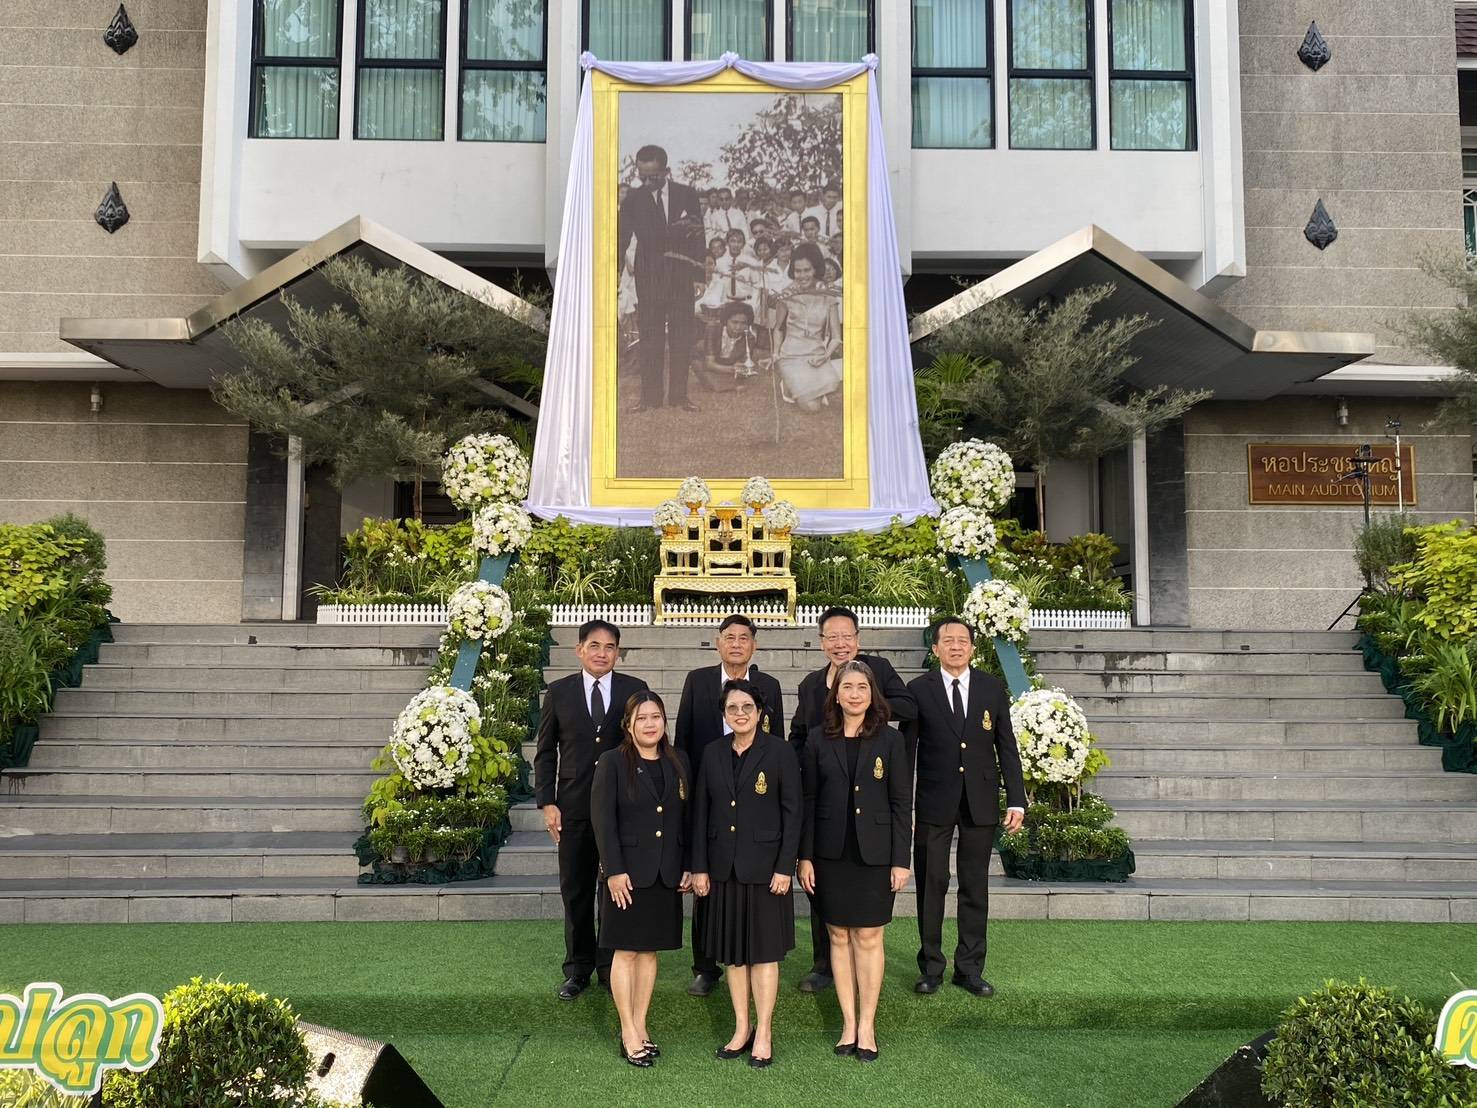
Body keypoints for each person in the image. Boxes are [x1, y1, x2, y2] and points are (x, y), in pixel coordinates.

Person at [789, 606, 916, 994]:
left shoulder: (877, 674)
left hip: (871, 827)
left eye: (847, 636)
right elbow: (798, 734)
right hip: (828, 808)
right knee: (831, 921)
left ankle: (864, 1009)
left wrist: (866, 702)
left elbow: (909, 708)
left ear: (858, 640)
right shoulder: (811, 685)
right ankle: (822, 966)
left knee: (867, 932)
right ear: (821, 642)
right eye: (832, 637)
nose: (840, 643)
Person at [797, 660, 912, 1062]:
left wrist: (900, 859)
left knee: (868, 936)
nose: (855, 694)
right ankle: (848, 1024)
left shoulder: (890, 740)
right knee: (839, 936)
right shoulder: (817, 739)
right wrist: (805, 856)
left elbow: (901, 803)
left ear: (872, 693)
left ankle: (867, 1026)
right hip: (829, 855)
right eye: (847, 687)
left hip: (875, 855)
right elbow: (808, 801)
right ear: (836, 694)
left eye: (862, 687)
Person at [908, 618, 1026, 998]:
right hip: (932, 802)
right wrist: (905, 808)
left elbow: (1006, 745)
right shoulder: (918, 690)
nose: (956, 646)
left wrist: (1017, 799)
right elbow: (907, 753)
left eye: (963, 640)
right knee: (932, 884)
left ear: (973, 648)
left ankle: (970, 969)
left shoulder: (992, 688)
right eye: (948, 640)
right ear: (935, 648)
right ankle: (931, 968)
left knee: (975, 886)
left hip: (980, 801)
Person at [534, 620, 649, 1000]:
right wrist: (548, 802)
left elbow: (646, 743)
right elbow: (545, 752)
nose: (602, 653)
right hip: (573, 807)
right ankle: (578, 968)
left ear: (618, 652)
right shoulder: (559, 692)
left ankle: (610, 966)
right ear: (579, 649)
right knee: (577, 889)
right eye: (595, 645)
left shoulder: (635, 690)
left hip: (622, 808)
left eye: (610, 646)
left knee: (616, 889)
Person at [691, 680, 801, 1069]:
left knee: (764, 954)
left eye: (747, 707)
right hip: (723, 869)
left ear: (760, 712)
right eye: (732, 708)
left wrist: (785, 867)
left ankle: (764, 1032)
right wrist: (700, 866)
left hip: (767, 871)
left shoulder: (780, 752)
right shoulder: (712, 752)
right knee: (733, 956)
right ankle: (742, 1028)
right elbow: (701, 812)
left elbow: (793, 813)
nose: (740, 714)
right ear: (724, 714)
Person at [675, 615, 786, 997]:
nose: (736, 644)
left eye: (743, 638)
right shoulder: (697, 681)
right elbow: (683, 740)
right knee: (706, 886)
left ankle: (750, 955)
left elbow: (777, 743)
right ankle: (705, 967)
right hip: (710, 795)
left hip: (754, 798)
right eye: (729, 637)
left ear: (754, 644)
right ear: (717, 642)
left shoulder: (769, 686)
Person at [591, 691, 693, 1066]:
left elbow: (686, 818)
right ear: (629, 725)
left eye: (656, 717)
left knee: (649, 951)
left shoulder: (678, 760)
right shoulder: (612, 762)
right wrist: (613, 870)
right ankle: (627, 1031)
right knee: (627, 950)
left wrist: (688, 863)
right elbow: (603, 821)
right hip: (628, 875)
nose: (650, 724)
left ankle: (641, 1024)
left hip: (665, 873)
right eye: (642, 718)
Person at [616, 144, 705, 413]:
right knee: (650, 337)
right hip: (649, 277)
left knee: (681, 337)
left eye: (653, 176)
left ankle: (679, 396)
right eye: (642, 176)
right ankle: (650, 398)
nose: (647, 182)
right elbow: (621, 239)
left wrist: (699, 275)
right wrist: (613, 275)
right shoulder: (632, 200)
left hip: (681, 277)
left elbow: (698, 235)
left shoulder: (687, 195)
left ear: (666, 170)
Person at [774, 242, 841, 413]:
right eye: (798, 271)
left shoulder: (828, 295)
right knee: (813, 408)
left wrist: (825, 356)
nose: (802, 276)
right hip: (790, 356)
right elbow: (778, 328)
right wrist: (776, 353)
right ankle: (787, 383)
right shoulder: (786, 293)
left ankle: (804, 386)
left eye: (807, 270)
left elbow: (836, 337)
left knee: (834, 387)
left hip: (816, 355)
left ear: (816, 269)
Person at [803, 182, 843, 246]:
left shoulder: (842, 211)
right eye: (829, 197)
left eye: (835, 197)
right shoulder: (811, 212)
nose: (832, 200)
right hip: (816, 247)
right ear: (823, 196)